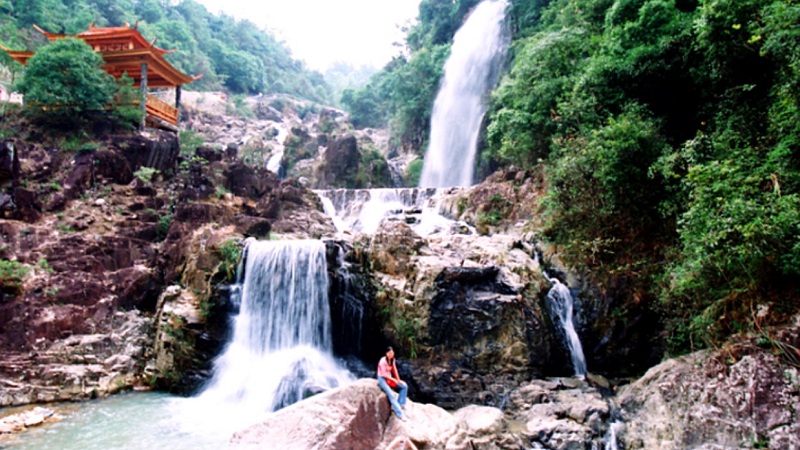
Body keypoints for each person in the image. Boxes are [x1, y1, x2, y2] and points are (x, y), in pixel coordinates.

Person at [377, 346, 408, 421]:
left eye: (392, 352)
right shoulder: (382, 361)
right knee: (391, 395)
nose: (392, 354)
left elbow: (394, 370)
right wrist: (394, 380)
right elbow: (384, 374)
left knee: (404, 386)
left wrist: (398, 380)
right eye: (390, 353)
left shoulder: (392, 360)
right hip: (382, 379)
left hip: (389, 378)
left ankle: (401, 404)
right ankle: (399, 414)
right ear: (386, 354)